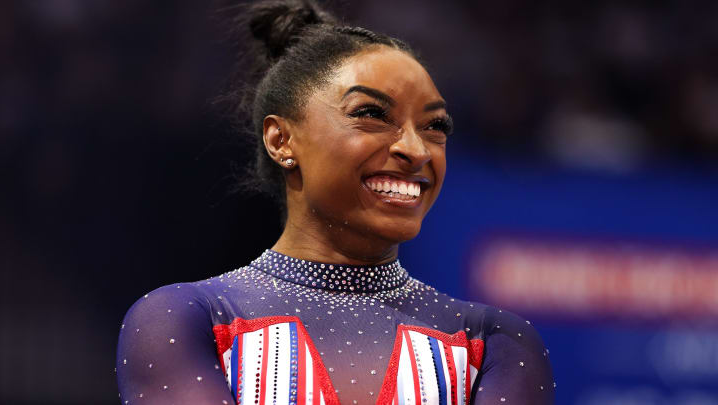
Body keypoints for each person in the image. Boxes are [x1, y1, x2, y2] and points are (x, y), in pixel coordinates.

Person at [115, 1, 555, 404]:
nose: (417, 150)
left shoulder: (494, 341)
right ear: (281, 140)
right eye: (371, 114)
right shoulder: (188, 319)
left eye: (434, 126)